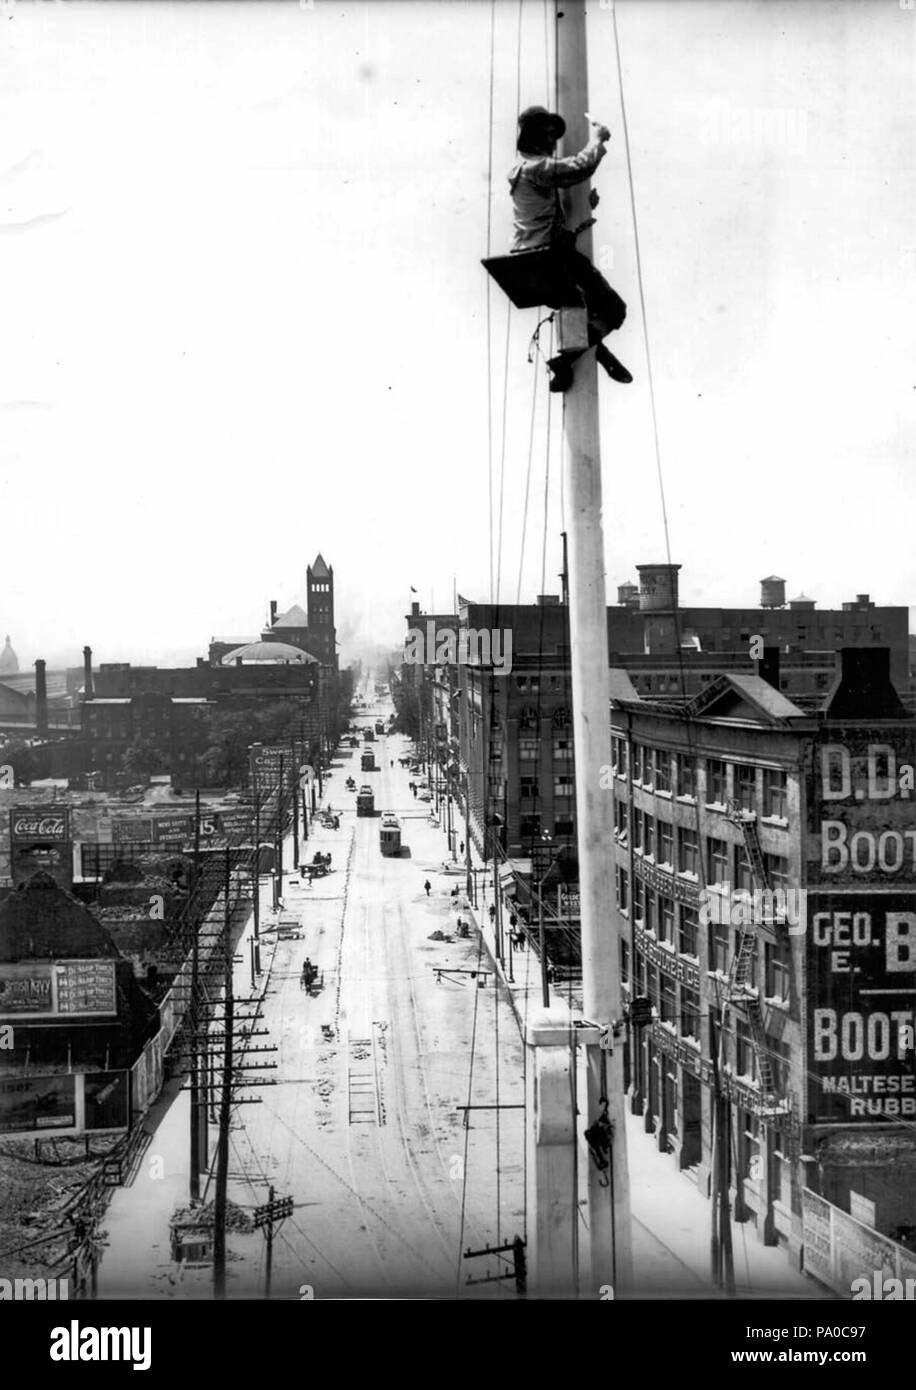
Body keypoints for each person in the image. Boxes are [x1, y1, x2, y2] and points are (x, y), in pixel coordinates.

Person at [508, 105, 631, 393]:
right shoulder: (537, 167)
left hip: (524, 260)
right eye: (548, 135)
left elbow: (544, 213)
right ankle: (572, 358)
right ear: (534, 137)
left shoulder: (520, 171)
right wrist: (598, 140)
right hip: (549, 257)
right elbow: (579, 167)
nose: (553, 142)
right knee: (614, 309)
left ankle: (581, 356)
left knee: (581, 310)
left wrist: (584, 204)